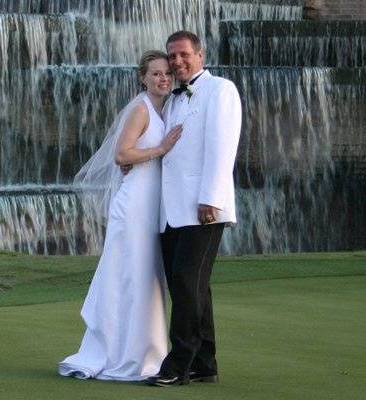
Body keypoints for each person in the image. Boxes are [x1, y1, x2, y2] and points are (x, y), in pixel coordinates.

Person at [58, 51, 183, 381]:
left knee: (145, 279)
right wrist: (160, 149)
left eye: (167, 73)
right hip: (134, 206)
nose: (163, 78)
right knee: (127, 277)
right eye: (155, 73)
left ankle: (145, 353)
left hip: (151, 207)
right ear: (143, 77)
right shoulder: (141, 109)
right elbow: (121, 154)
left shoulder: (167, 108)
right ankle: (120, 355)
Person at [146, 31, 242, 387]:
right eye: (172, 56)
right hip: (171, 210)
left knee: (187, 282)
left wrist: (211, 199)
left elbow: (222, 146)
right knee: (192, 287)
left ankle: (178, 365)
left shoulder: (221, 90)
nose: (177, 61)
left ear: (200, 54)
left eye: (184, 54)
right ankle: (206, 363)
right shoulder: (171, 99)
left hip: (204, 208)